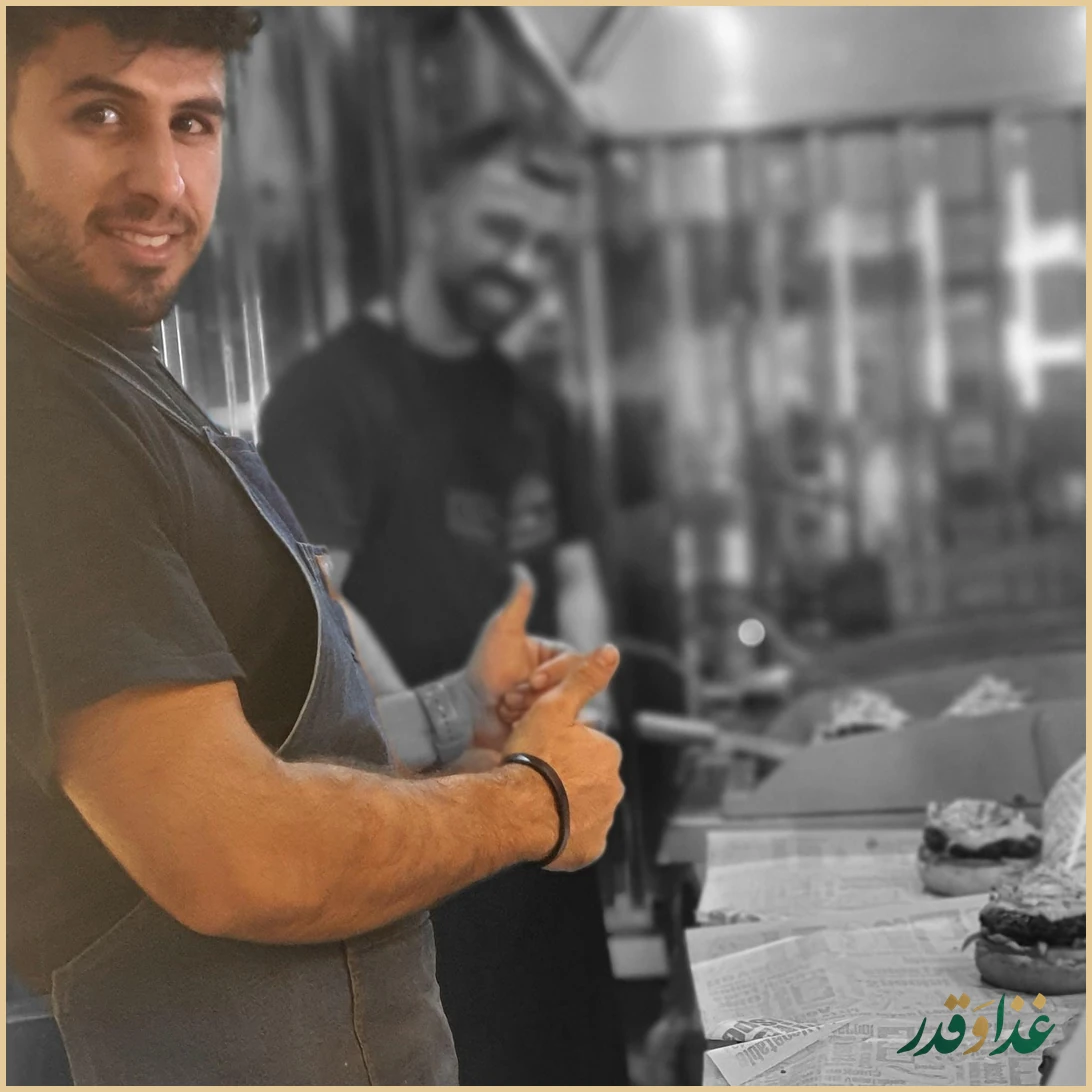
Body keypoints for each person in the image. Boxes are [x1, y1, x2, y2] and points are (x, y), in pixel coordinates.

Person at [6, 9, 625, 1085]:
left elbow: (286, 746)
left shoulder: (128, 387)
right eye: (101, 114)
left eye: (193, 122)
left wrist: (458, 713)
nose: (163, 180)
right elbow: (234, 850)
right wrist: (539, 801)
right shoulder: (44, 422)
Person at [259, 119, 629, 1085]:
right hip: (430, 851)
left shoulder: (533, 402)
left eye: (544, 244)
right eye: (502, 228)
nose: (523, 262)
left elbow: (575, 571)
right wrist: (449, 738)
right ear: (431, 214)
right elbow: (322, 598)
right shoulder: (330, 395)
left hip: (548, 821)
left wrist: (580, 707)